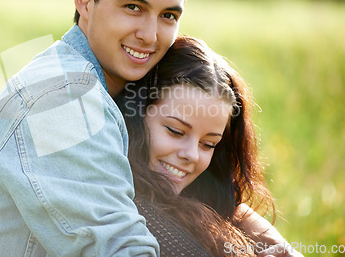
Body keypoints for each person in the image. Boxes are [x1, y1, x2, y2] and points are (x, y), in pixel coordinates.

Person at [0, 0, 206, 256]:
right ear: (86, 0)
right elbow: (120, 250)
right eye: (133, 8)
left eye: (168, 15)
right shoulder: (61, 97)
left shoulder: (115, 88)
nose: (150, 35)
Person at [121, 36, 304, 256]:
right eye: (176, 131)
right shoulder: (130, 211)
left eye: (208, 144)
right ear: (137, 116)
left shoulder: (213, 209)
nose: (192, 155)